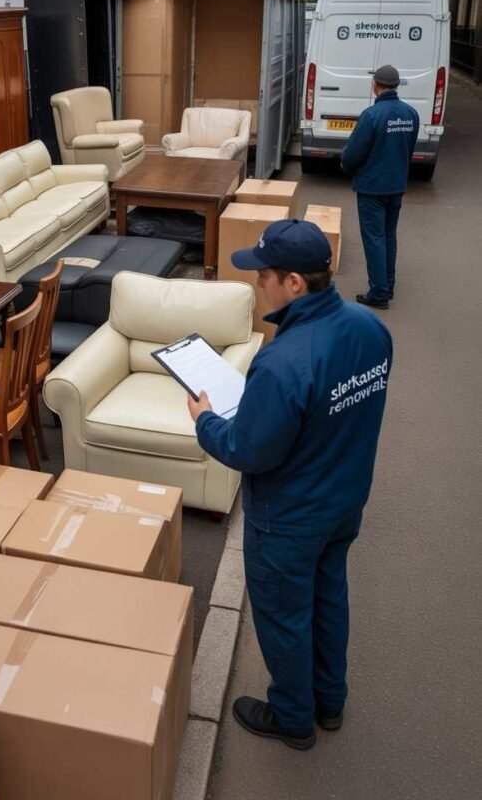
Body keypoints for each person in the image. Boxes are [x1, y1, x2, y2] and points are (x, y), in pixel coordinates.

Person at [187, 219, 392, 750]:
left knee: (284, 616)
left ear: (294, 283)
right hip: (344, 501)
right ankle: (330, 700)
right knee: (328, 598)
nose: (258, 284)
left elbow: (247, 451)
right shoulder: (371, 329)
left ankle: (294, 717)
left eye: (264, 276)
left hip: (289, 518)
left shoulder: (281, 362)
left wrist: (206, 419)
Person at [341, 63, 419, 309]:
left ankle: (378, 293)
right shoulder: (411, 114)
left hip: (372, 187)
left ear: (375, 85)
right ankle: (388, 285)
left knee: (374, 238)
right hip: (396, 184)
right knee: (388, 236)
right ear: (396, 86)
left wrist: (347, 166)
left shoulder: (371, 115)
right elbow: (409, 148)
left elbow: (354, 153)